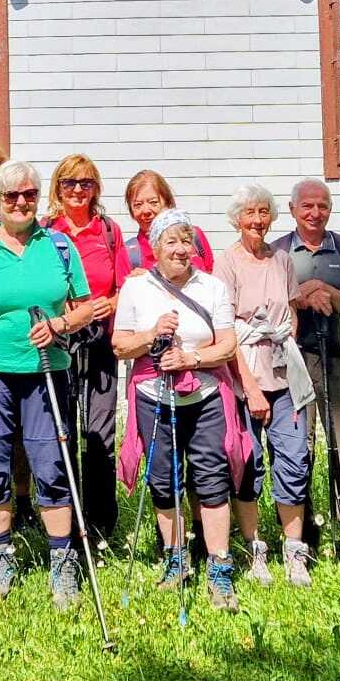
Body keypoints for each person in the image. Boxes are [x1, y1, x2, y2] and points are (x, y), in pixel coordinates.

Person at [0, 160, 97, 608]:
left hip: (46, 371)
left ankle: (62, 560)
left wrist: (60, 322)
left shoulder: (59, 246)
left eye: (28, 194)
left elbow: (86, 307)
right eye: (11, 196)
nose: (21, 203)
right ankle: (0, 554)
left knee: (51, 466)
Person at [114, 209, 247, 610]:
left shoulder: (212, 287)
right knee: (164, 480)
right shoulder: (137, 289)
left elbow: (227, 344)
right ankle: (177, 561)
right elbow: (120, 345)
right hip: (154, 397)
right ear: (154, 248)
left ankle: (219, 568)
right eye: (170, 241)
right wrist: (152, 334)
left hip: (205, 397)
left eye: (185, 240)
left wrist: (191, 359)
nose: (180, 249)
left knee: (211, 478)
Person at [217, 185, 314, 587]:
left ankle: (295, 552)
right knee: (247, 463)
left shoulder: (283, 260)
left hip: (284, 370)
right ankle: (256, 547)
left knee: (294, 459)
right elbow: (227, 332)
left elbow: (291, 313)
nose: (257, 220)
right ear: (236, 218)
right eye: (249, 213)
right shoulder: (227, 263)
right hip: (245, 376)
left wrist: (284, 339)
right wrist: (252, 388)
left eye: (263, 212)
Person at [277, 178, 340, 553]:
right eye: (307, 206)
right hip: (294, 359)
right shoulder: (278, 250)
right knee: (302, 444)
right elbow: (269, 301)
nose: (315, 213)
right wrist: (302, 295)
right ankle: (305, 528)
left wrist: (330, 292)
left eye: (322, 206)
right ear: (293, 208)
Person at [47, 154, 127, 545]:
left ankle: (100, 523)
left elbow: (123, 285)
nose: (77, 190)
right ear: (57, 188)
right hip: (60, 342)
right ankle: (65, 518)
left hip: (99, 343)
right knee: (60, 430)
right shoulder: (46, 231)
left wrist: (110, 302)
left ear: (96, 188)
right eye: (69, 183)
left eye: (86, 183)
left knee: (98, 433)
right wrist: (64, 311)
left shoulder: (108, 231)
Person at [117, 169, 214, 276]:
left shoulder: (194, 237)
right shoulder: (128, 254)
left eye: (153, 202)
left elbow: (211, 279)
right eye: (138, 205)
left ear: (167, 203)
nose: (146, 211)